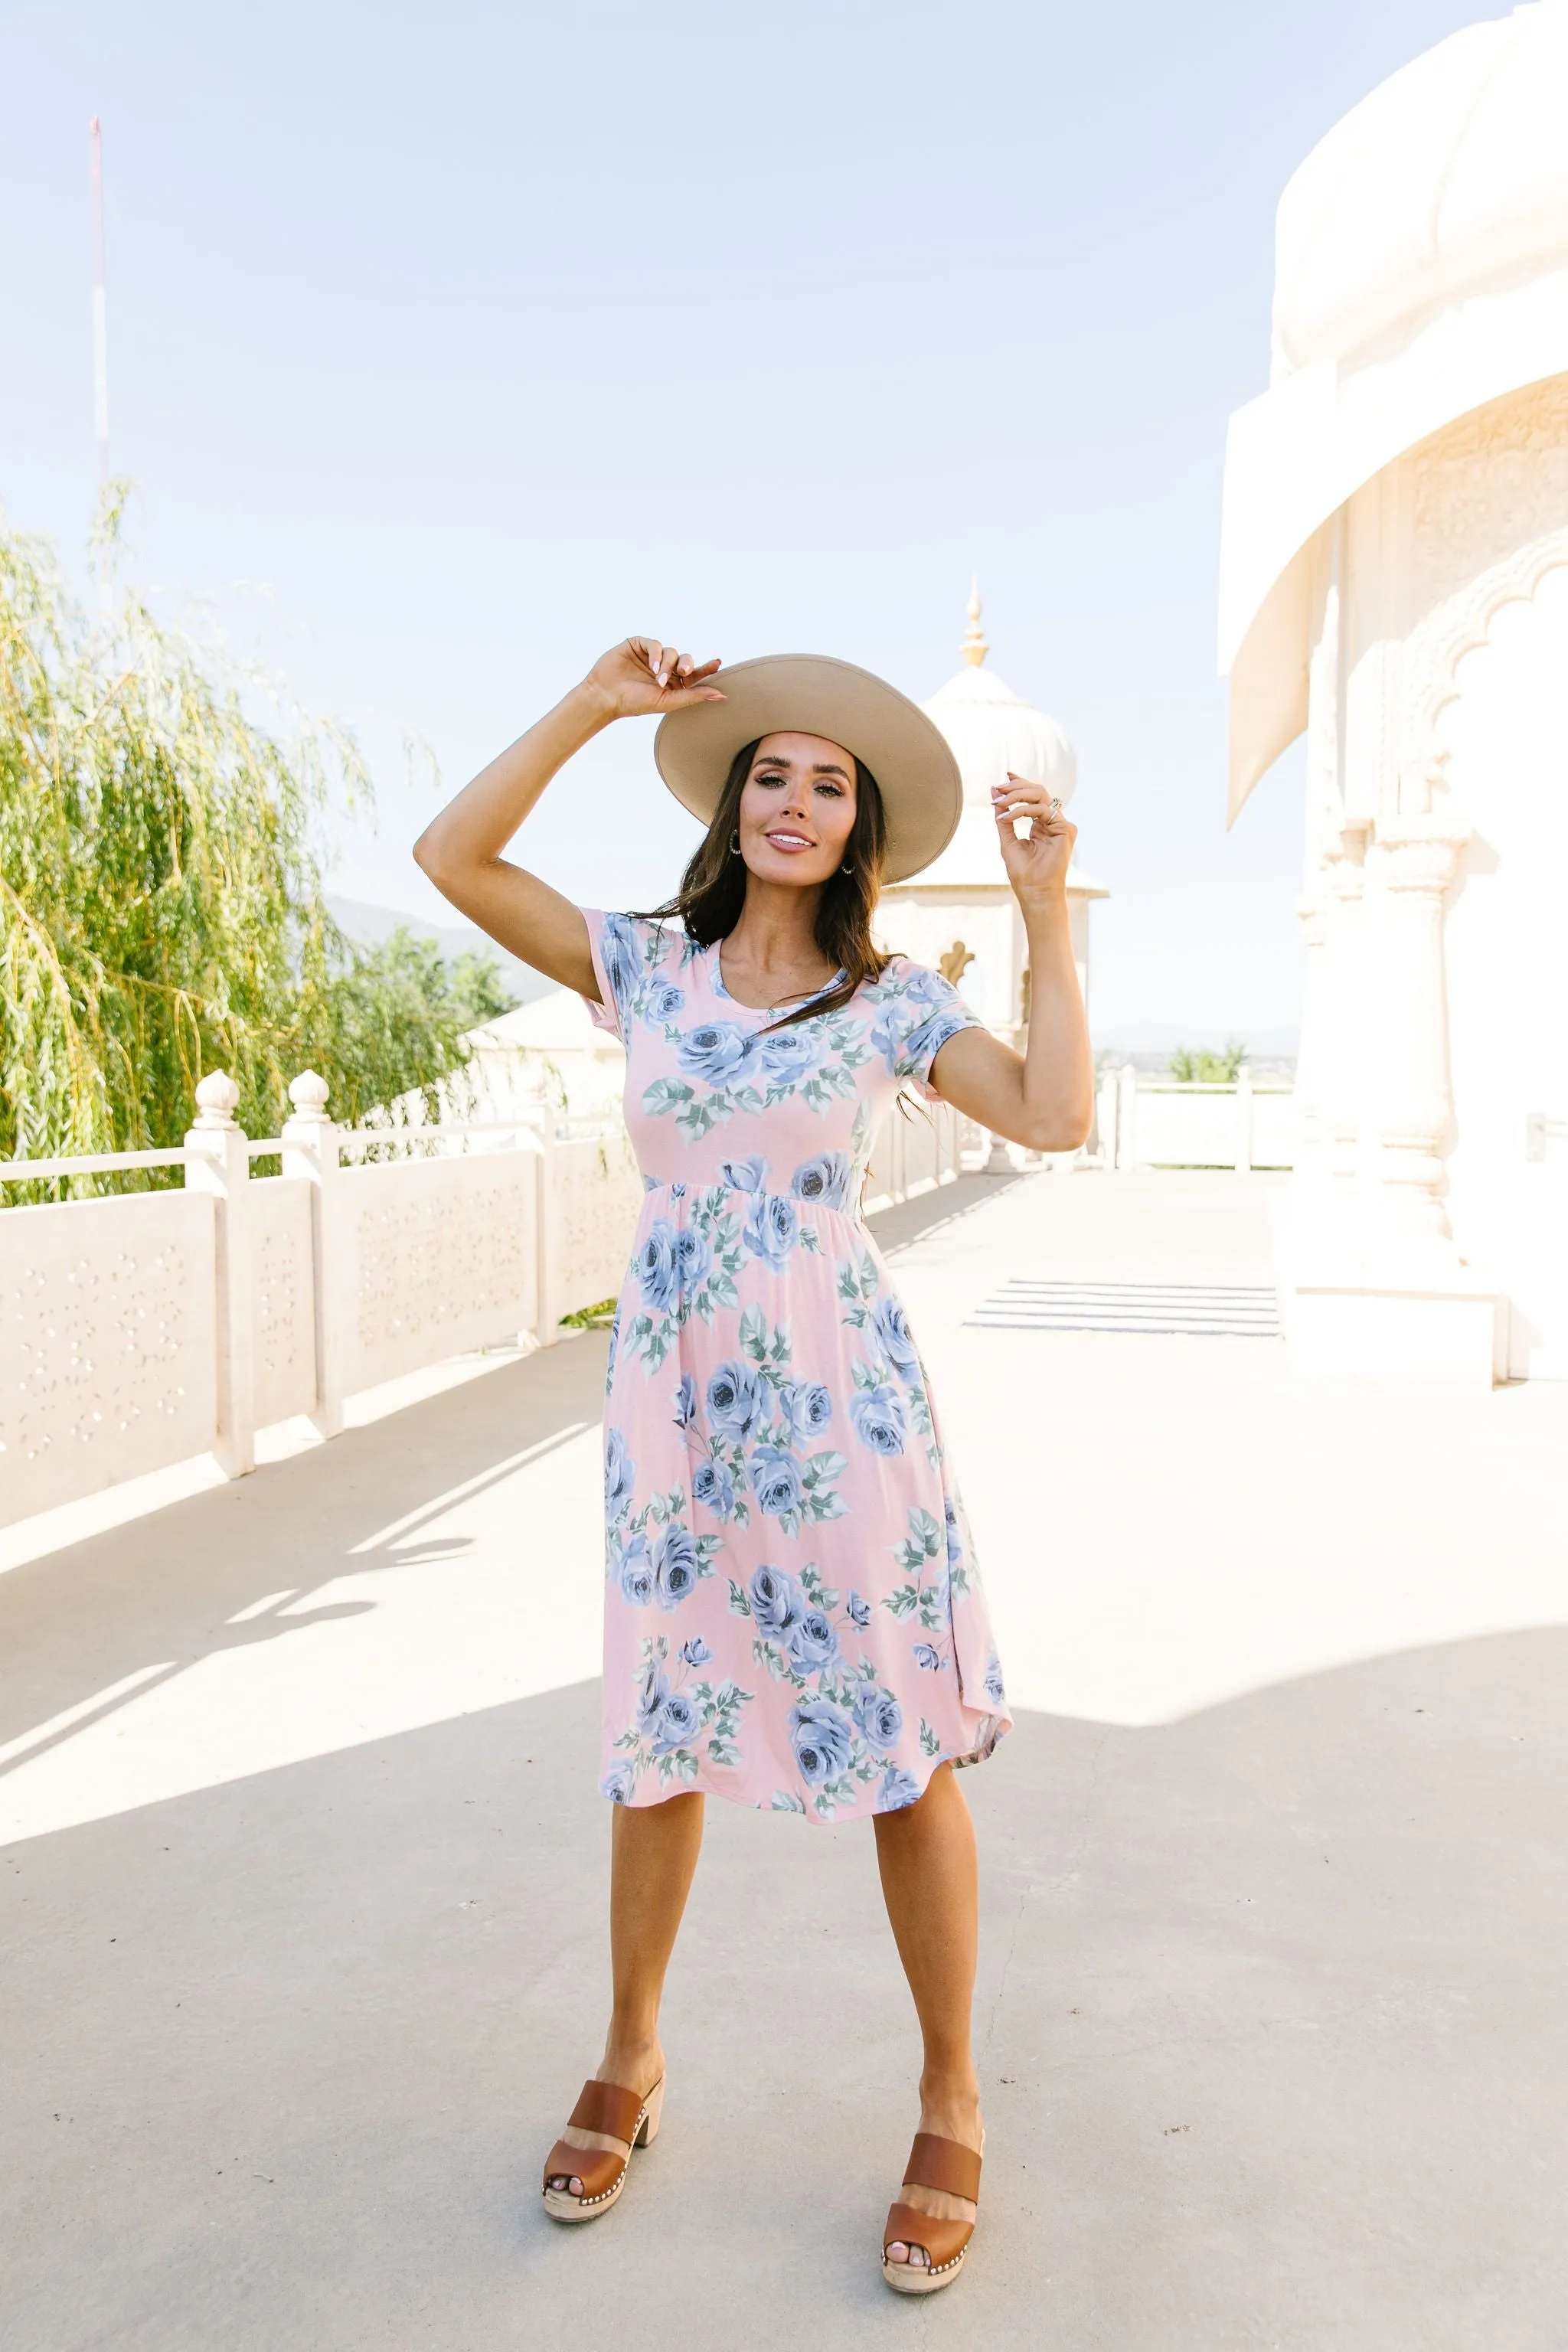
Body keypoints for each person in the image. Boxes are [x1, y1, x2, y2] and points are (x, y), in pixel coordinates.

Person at [414, 636, 1092, 2293]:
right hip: (672, 1409)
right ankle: (632, 2053)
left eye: (828, 784)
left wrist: (1047, 909)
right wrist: (589, 704)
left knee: (894, 1744)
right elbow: (451, 859)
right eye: (769, 775)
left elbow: (1055, 1114)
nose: (795, 800)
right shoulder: (642, 968)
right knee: (658, 1733)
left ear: (860, 835)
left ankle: (950, 2092)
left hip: (841, 1406)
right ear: (733, 813)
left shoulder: (888, 1002)